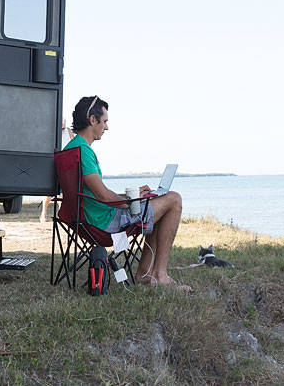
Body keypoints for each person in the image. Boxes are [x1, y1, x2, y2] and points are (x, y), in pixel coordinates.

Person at [63, 95, 190, 292]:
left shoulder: (71, 148)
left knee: (155, 206)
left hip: (87, 218)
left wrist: (131, 196)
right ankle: (160, 275)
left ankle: (145, 273)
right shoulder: (83, 150)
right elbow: (103, 197)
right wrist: (131, 202)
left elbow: (96, 193)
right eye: (104, 121)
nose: (106, 127)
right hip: (103, 223)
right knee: (174, 200)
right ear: (92, 120)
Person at [41, 121, 75, 223]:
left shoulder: (68, 131)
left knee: (63, 192)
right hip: (54, 163)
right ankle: (44, 213)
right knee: (49, 193)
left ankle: (61, 215)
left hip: (66, 163)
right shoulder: (51, 133)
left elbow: (73, 144)